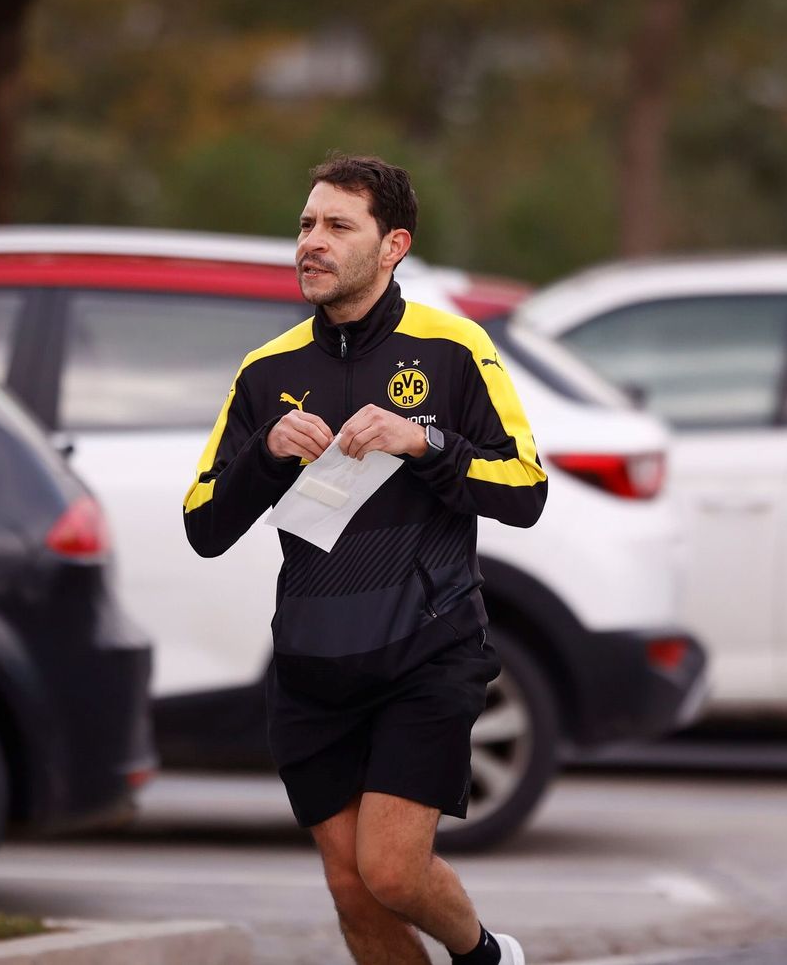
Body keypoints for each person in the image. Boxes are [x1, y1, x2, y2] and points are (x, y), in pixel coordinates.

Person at [183, 154, 546, 965]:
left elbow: (524, 486)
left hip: (427, 649)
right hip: (313, 664)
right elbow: (204, 523)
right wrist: (267, 455)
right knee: (351, 889)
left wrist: (426, 440)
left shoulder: (453, 348)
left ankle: (485, 954)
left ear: (393, 246)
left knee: (390, 869)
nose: (313, 241)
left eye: (338, 226)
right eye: (307, 224)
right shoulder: (267, 370)